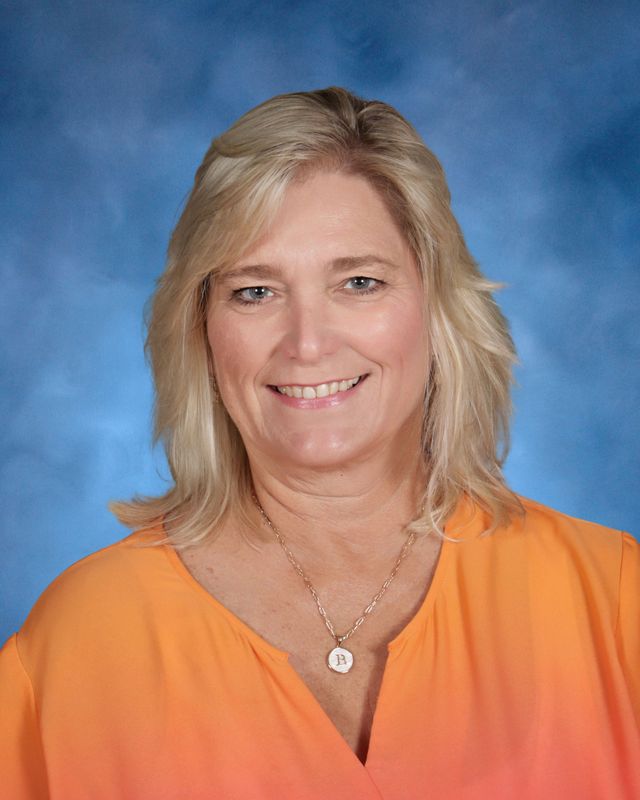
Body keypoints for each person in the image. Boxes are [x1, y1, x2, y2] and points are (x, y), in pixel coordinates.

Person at [1, 87, 638, 799]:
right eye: (255, 292)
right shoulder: (77, 647)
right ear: (201, 330)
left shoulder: (612, 604)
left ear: (438, 308)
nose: (307, 344)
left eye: (359, 282)